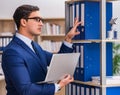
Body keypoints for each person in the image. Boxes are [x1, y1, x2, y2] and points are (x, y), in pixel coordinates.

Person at [2, 4, 82, 95]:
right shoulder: (12, 52)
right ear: (23, 22)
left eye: (41, 20)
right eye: (37, 20)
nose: (41, 23)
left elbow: (57, 61)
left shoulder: (35, 46)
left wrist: (68, 38)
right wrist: (58, 86)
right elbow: (25, 90)